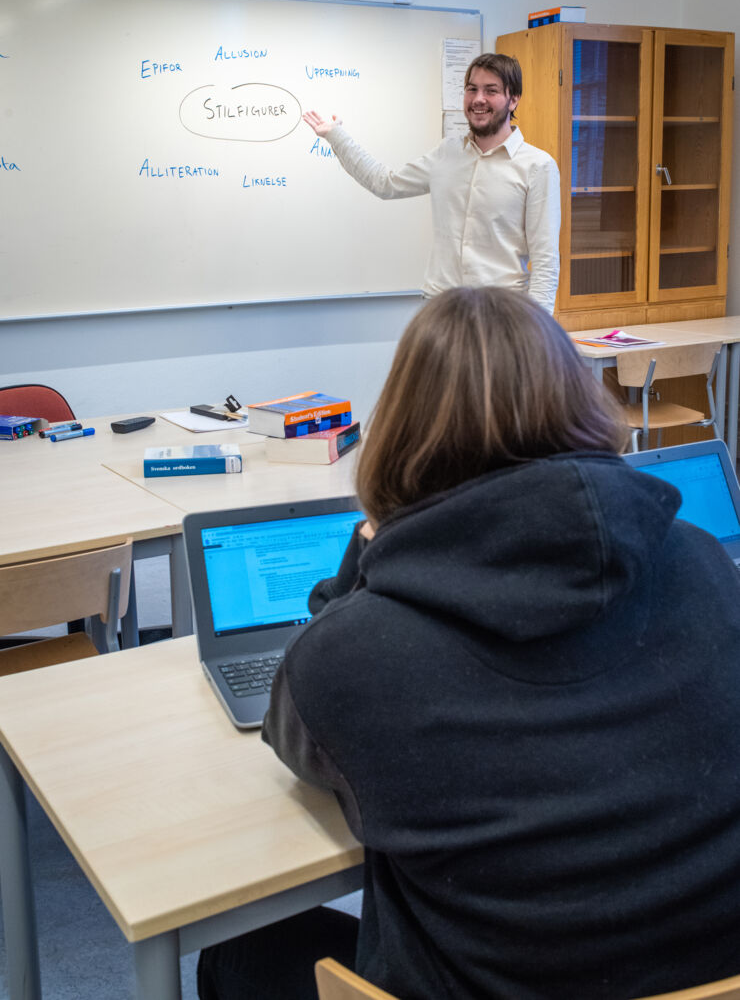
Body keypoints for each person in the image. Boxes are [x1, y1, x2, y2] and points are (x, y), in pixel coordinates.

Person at [198, 287, 740, 1000]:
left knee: (237, 951)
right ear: (581, 404)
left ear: (399, 433)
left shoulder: (352, 659)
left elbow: (291, 737)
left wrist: (370, 545)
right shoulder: (705, 565)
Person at [303, 53, 561, 312]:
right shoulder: (447, 153)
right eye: (472, 89)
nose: (478, 99)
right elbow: (385, 183)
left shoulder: (537, 166)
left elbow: (545, 261)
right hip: (440, 309)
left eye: (491, 91)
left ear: (513, 99)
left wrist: (538, 334)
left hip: (501, 314)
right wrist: (335, 136)